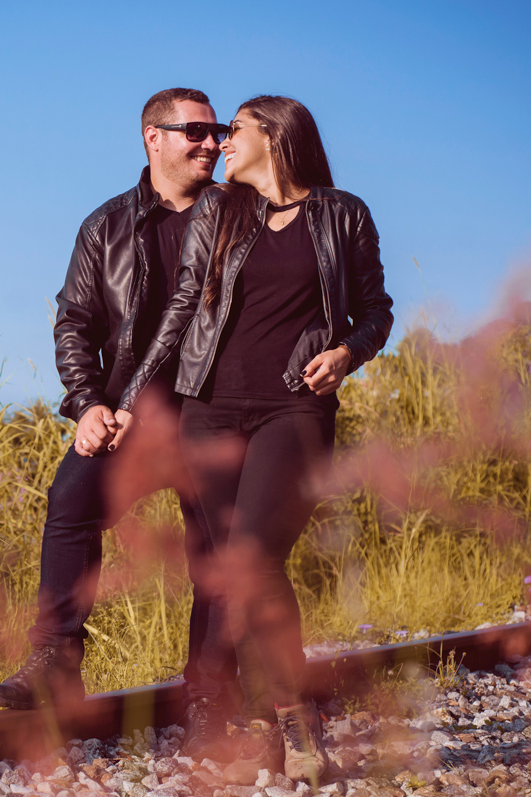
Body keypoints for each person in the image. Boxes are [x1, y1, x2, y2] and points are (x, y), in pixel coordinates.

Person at [113, 95, 393, 785]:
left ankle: (295, 717)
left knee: (255, 555)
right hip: (208, 410)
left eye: (232, 130)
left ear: (275, 134)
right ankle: (263, 726)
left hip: (292, 408)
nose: (219, 144)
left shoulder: (343, 214)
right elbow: (183, 307)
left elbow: (376, 310)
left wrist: (348, 353)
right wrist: (129, 398)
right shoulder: (219, 211)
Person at [0, 88, 240, 760]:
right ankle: (55, 663)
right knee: (70, 499)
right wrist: (88, 402)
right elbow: (74, 321)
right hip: (128, 412)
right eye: (196, 131)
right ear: (154, 137)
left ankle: (211, 690)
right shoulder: (106, 226)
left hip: (215, 410)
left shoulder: (238, 215)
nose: (212, 143)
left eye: (218, 131)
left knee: (217, 549)